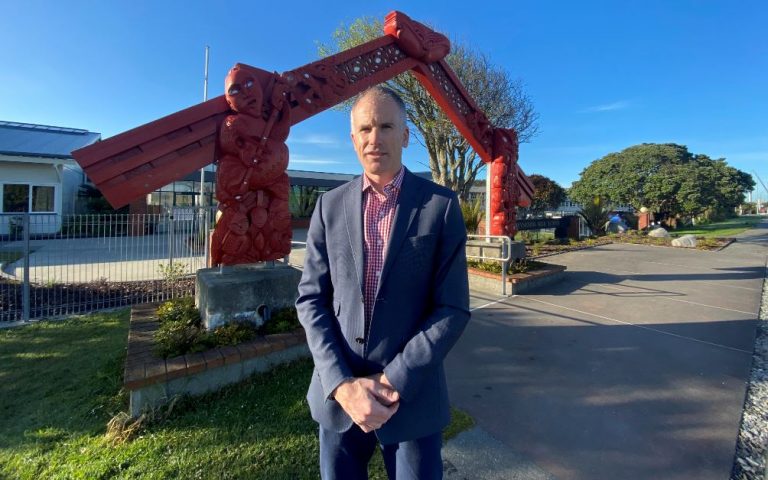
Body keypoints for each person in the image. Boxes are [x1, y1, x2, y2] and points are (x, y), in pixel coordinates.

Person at [296, 86, 471, 479]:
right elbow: (311, 300)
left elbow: (453, 308)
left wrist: (393, 380)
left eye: (387, 126)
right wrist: (342, 385)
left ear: (406, 135)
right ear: (353, 138)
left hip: (411, 397)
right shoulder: (329, 206)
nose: (375, 138)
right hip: (340, 397)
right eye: (365, 128)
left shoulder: (440, 207)